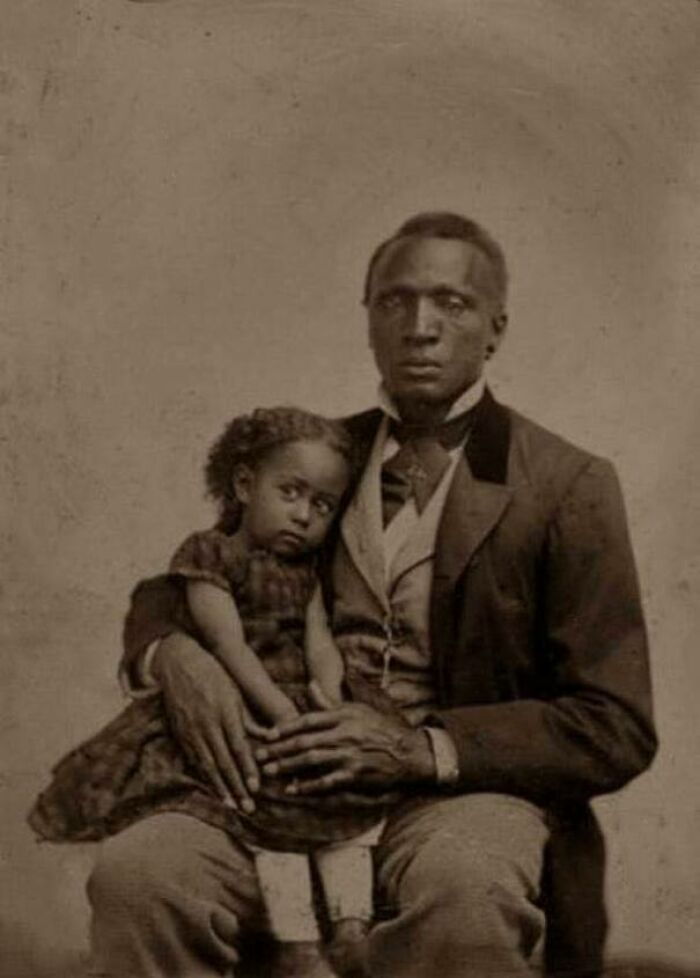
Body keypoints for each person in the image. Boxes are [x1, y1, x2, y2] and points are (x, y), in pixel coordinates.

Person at [88, 212, 657, 978]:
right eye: (395, 300)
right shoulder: (317, 457)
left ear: (496, 328)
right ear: (368, 320)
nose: (420, 326)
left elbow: (614, 723)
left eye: (452, 304)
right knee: (141, 877)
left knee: (465, 892)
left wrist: (422, 749)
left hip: (463, 797)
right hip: (279, 781)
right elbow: (182, 583)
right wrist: (172, 656)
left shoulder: (567, 483)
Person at [30, 407, 402, 978]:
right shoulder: (211, 555)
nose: (303, 516)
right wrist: (282, 712)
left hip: (311, 707)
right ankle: (297, 942)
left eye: (321, 506)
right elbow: (227, 644)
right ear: (245, 484)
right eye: (291, 494)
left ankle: (351, 930)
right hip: (252, 702)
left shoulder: (303, 570)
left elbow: (319, 637)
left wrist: (329, 696)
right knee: (265, 808)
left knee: (343, 806)